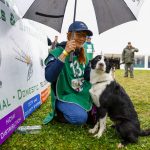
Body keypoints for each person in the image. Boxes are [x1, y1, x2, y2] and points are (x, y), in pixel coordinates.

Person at [43, 21, 93, 125]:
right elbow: (49, 77)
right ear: (69, 35)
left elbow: (88, 77)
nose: (82, 38)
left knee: (99, 111)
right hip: (65, 96)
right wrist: (65, 53)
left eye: (84, 36)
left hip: (81, 94)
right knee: (80, 118)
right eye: (79, 35)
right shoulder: (56, 52)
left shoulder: (84, 55)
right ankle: (60, 114)